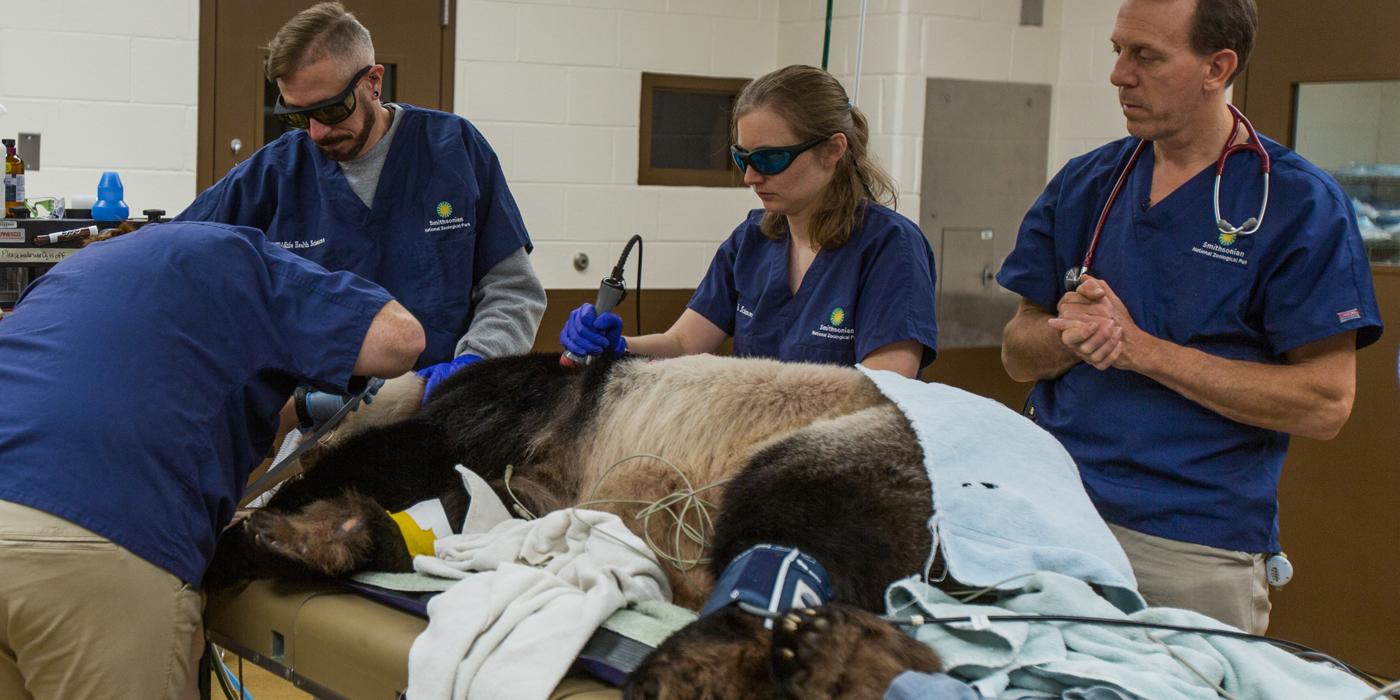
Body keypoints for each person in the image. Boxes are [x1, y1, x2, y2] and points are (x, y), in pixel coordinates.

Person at [996, 0, 1382, 634]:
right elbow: (1017, 352)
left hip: (1189, 544)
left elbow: (1323, 404)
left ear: (1217, 66)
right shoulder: (1087, 183)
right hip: (1049, 517)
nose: (1120, 75)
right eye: (1117, 50)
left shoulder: (1296, 204)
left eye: (1146, 56)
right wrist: (1072, 335)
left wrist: (1138, 348)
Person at [0, 221, 423, 699]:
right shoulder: (236, 255)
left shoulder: (68, 280)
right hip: (100, 546)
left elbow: (172, 393)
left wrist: (296, 406)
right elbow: (398, 341)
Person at [177, 1, 544, 400]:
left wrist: (475, 367)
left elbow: (513, 290)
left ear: (373, 82)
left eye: (331, 110)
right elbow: (175, 256)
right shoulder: (272, 175)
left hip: (442, 406)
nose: (316, 133)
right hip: (314, 420)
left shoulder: (454, 152)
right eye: (298, 116)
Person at [560, 65, 938, 378]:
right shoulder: (751, 241)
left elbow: (886, 384)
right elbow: (683, 344)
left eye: (770, 159)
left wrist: (735, 387)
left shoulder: (890, 247)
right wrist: (620, 347)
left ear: (833, 150)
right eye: (743, 158)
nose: (750, 177)